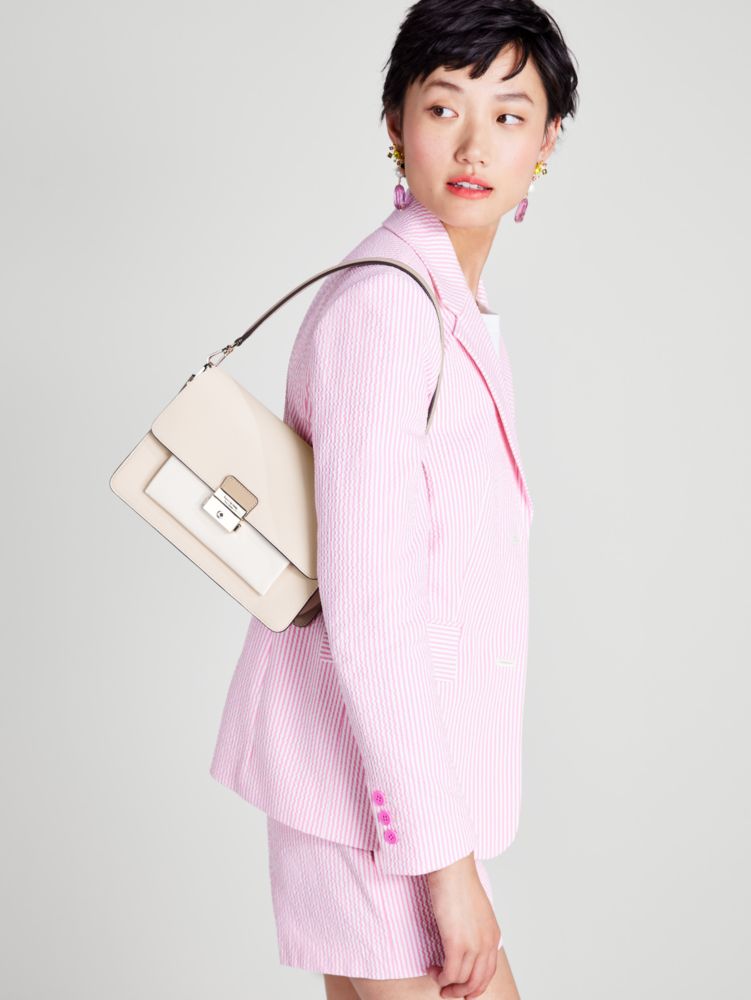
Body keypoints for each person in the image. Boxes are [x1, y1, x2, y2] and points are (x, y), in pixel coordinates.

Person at [209, 1, 579, 997]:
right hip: (370, 806)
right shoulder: (386, 308)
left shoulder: (447, 300)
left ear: (546, 140)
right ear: (394, 123)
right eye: (442, 106)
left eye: (508, 115)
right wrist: (446, 867)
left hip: (397, 795)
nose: (472, 144)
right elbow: (372, 611)